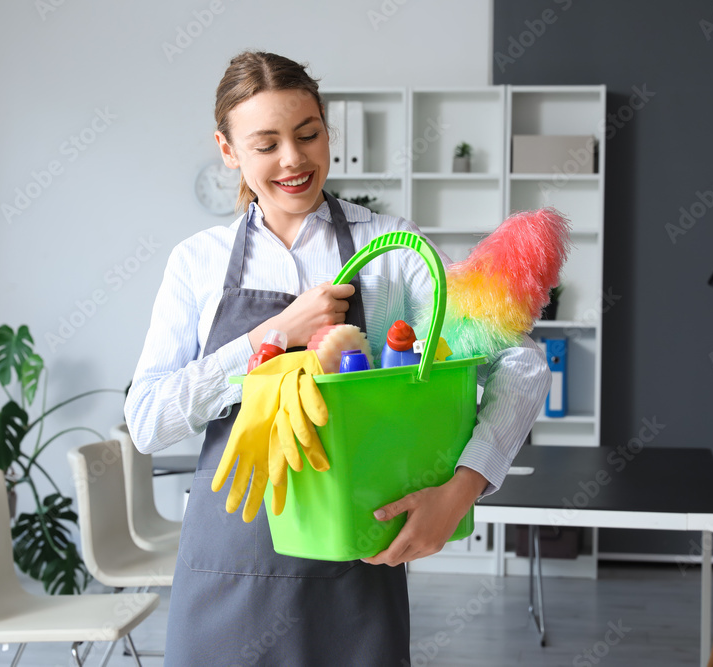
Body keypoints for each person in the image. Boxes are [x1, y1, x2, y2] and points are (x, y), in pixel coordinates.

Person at [125, 51, 550, 666]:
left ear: (328, 131)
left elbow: (521, 364)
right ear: (228, 149)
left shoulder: (392, 249)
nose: (294, 159)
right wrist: (271, 335)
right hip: (229, 564)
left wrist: (461, 490)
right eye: (266, 143)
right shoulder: (198, 263)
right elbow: (147, 421)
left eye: (308, 134)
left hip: (357, 561)